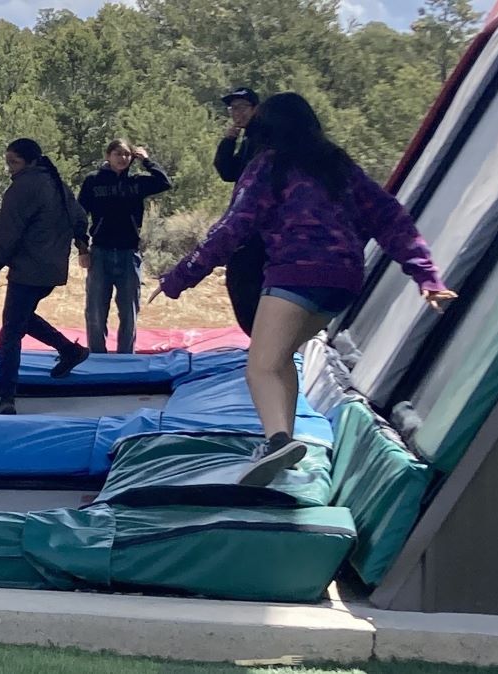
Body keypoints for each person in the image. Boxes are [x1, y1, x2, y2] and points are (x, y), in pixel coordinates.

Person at [153, 92, 457, 486]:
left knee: (260, 366)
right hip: (344, 282)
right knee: (280, 358)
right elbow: (390, 218)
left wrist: (179, 278)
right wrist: (426, 276)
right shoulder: (338, 166)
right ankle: (286, 439)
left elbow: (233, 227)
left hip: (295, 274)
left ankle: (277, 441)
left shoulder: (269, 166)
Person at [0, 139, 91, 416]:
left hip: (28, 270)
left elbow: (5, 235)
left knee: (10, 332)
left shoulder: (23, 188)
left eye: (14, 162)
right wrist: (81, 244)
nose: (10, 168)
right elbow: (79, 217)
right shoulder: (56, 182)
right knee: (22, 318)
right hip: (52, 270)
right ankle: (70, 351)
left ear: (29, 162)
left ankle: (7, 397)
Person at [76, 139, 171, 354]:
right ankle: (97, 355)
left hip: (129, 253)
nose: (123, 158)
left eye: (127, 154)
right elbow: (79, 216)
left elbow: (164, 182)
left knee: (129, 309)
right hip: (100, 252)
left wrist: (146, 161)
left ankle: (126, 356)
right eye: (118, 154)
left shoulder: (137, 182)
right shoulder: (93, 181)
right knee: (96, 309)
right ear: (108, 156)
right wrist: (82, 248)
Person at [215, 87, 267, 335]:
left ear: (256, 109)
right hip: (246, 224)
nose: (237, 113)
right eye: (233, 108)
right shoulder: (247, 139)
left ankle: (266, 343)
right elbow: (227, 171)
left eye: (242, 107)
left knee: (247, 282)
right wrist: (228, 140)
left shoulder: (264, 137)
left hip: (261, 225)